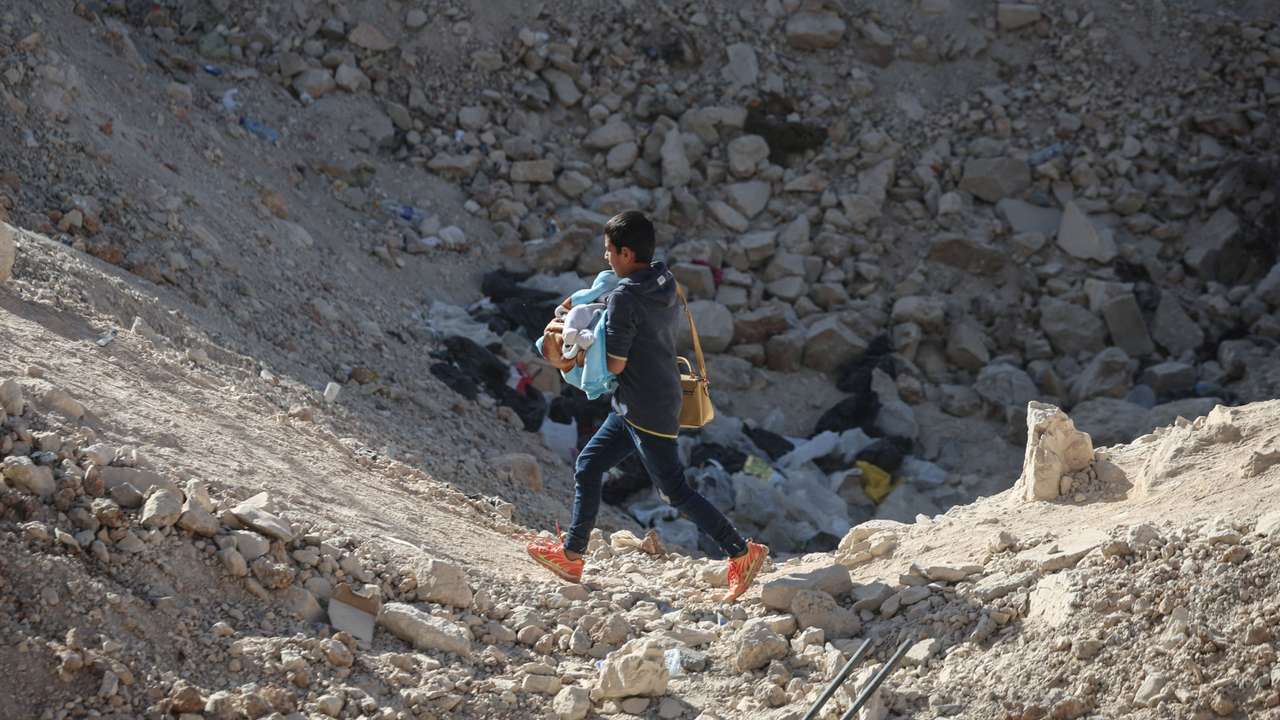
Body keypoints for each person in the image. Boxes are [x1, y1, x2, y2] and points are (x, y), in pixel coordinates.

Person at [527, 211, 768, 601]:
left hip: (645, 408)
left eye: (609, 251)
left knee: (674, 492)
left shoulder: (624, 297)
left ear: (625, 253)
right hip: (648, 397)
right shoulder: (661, 277)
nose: (605, 258)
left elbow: (616, 364)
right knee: (589, 465)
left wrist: (568, 359)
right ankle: (572, 555)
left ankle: (742, 552)